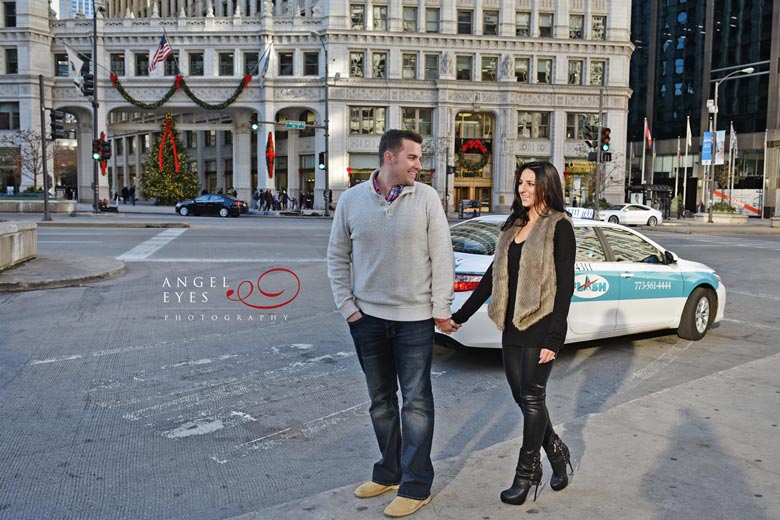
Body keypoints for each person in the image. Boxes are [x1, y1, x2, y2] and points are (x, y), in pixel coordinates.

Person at [327, 129, 456, 518]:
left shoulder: (428, 199)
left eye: (419, 158)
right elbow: (336, 256)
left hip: (414, 321)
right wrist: (348, 307)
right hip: (366, 320)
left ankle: (416, 486)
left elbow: (443, 258)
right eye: (413, 157)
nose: (420, 165)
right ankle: (389, 471)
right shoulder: (351, 200)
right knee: (381, 403)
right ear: (389, 158)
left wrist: (441, 309)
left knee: (416, 404)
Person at [450, 161, 576, 506]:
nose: (523, 189)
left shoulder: (559, 227)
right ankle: (558, 454)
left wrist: (555, 338)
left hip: (541, 321)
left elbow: (566, 285)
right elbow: (492, 278)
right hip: (512, 324)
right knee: (522, 397)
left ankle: (527, 473)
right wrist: (459, 316)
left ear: (546, 187)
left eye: (531, 183)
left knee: (533, 396)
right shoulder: (513, 225)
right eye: (521, 182)